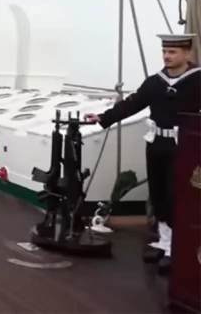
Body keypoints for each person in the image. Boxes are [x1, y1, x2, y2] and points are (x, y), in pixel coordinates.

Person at [85, 33, 200, 275]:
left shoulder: (197, 80)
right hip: (157, 143)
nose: (167, 57)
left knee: (175, 195)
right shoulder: (155, 82)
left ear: (187, 54)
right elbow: (133, 103)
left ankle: (175, 250)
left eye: (173, 52)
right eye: (165, 52)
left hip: (184, 147)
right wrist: (104, 118)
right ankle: (164, 241)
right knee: (158, 194)